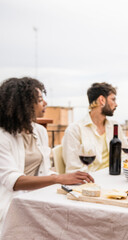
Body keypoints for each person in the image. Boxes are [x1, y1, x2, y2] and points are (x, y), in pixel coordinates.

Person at [0, 77, 94, 232]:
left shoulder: (40, 131)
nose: (45, 103)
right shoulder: (3, 137)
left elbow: (43, 171)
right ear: (24, 105)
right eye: (39, 100)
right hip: (10, 205)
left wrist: (68, 180)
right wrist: (58, 178)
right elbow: (14, 181)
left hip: (35, 199)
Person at [62, 82, 128, 173]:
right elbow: (74, 169)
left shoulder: (114, 127)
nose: (116, 104)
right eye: (113, 99)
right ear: (102, 100)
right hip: (91, 182)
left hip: (115, 178)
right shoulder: (74, 130)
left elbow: (125, 156)